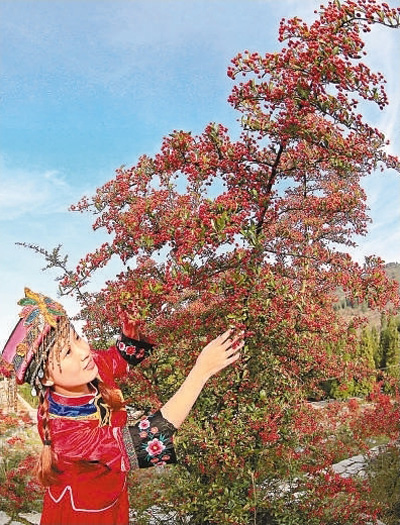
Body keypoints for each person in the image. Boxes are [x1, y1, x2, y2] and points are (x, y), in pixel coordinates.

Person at [1, 287, 243, 525]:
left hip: (112, 495)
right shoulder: (65, 431)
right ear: (46, 379)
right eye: (66, 353)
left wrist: (129, 334)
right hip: (83, 513)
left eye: (77, 337)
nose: (84, 352)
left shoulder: (91, 367)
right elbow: (147, 440)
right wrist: (201, 371)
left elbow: (117, 359)